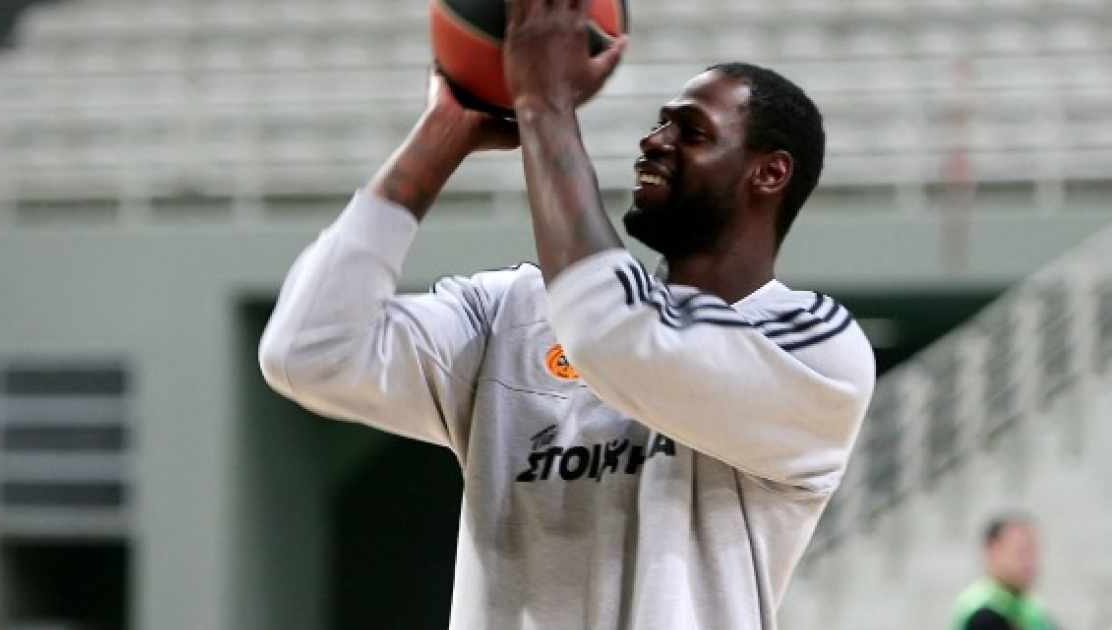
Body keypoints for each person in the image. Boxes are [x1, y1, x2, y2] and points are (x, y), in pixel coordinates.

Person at [258, 0, 876, 627]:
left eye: (691, 131)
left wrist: (544, 104)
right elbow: (308, 351)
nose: (654, 140)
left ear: (769, 173)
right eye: (660, 123)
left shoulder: (811, 344)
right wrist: (441, 132)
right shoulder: (514, 312)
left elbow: (617, 337)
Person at [951, 515, 1059, 630]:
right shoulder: (982, 612)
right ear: (993, 552)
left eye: (1032, 551)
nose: (1029, 562)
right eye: (1021, 552)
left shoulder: (1033, 609)